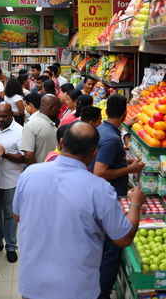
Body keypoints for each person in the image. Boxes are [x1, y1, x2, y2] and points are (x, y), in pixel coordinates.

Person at [13, 121, 146, 299]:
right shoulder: (98, 189)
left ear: (61, 144)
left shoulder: (29, 174)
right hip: (75, 288)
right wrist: (136, 204)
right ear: (94, 153)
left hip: (33, 283)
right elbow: (123, 238)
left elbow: (17, 215)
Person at [93, 95, 145, 299]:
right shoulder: (111, 139)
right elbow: (99, 172)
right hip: (110, 199)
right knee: (111, 252)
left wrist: (124, 161)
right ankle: (102, 293)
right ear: (124, 114)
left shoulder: (103, 130)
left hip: (104, 197)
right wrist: (130, 169)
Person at [0, 103, 25, 263]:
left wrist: (3, 154)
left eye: (4, 116)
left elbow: (24, 157)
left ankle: (11, 246)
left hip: (11, 180)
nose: (1, 119)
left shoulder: (20, 131)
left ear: (12, 114)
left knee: (10, 214)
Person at [21, 94, 60, 165]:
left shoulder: (49, 123)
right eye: (58, 108)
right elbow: (28, 156)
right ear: (51, 107)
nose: (59, 111)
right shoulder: (31, 125)